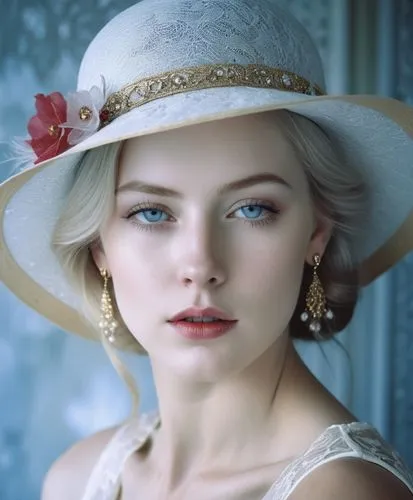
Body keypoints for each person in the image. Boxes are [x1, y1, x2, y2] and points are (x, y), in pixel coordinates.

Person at [1, 0, 413, 498]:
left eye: (252, 209)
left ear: (316, 233)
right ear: (98, 247)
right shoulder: (74, 479)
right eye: (151, 212)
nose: (201, 265)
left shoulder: (344, 492)